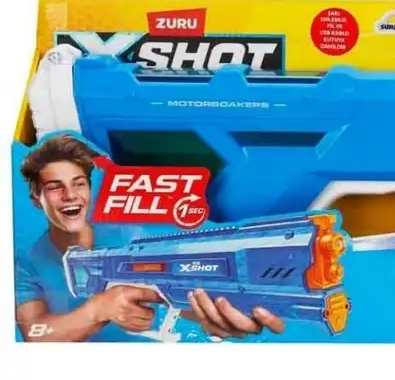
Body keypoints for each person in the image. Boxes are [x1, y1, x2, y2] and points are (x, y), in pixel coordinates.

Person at [15, 135, 284, 341]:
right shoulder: (25, 261)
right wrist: (99, 310)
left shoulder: (125, 234)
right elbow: (35, 335)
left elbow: (173, 284)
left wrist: (213, 312)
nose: (70, 195)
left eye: (78, 183)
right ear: (36, 199)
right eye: (55, 187)